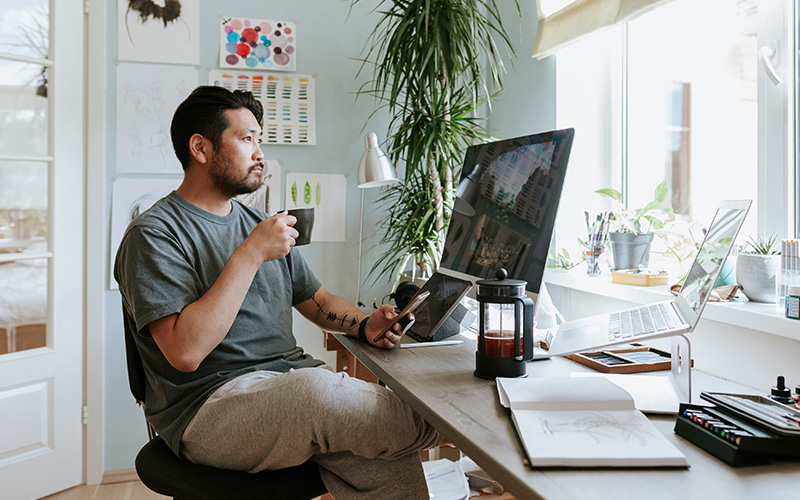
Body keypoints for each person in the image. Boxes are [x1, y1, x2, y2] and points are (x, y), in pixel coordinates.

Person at [114, 86, 443, 500]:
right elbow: (185, 351)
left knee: (381, 454)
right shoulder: (154, 235)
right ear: (200, 148)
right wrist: (250, 253)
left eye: (260, 139)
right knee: (319, 393)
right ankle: (458, 426)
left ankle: (445, 423)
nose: (259, 152)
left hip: (287, 390)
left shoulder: (259, 222)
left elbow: (320, 303)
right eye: (246, 138)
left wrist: (365, 325)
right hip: (208, 408)